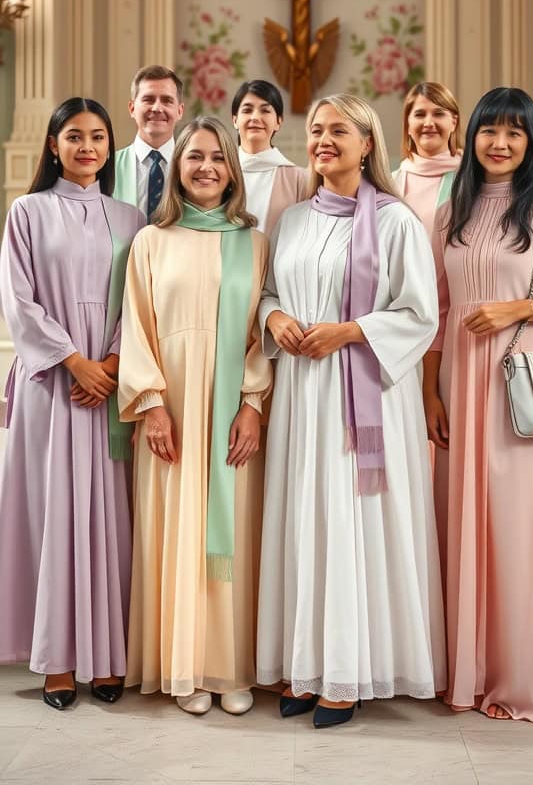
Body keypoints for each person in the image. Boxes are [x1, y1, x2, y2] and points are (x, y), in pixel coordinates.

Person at [257, 94, 446, 728]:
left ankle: (349, 672)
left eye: (339, 129)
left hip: (362, 397)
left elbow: (420, 315)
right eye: (315, 130)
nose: (323, 139)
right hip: (302, 400)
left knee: (351, 524)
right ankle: (306, 666)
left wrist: (349, 331)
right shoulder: (291, 221)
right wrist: (276, 317)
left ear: (368, 144)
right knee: (308, 520)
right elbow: (270, 293)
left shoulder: (394, 222)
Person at [423, 87, 533, 723]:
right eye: (491, 131)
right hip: (458, 380)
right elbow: (432, 307)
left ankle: (521, 678)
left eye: (515, 132)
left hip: (520, 382)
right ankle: (467, 670)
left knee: (519, 529)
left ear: (531, 141)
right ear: (473, 136)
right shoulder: (447, 211)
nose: (500, 143)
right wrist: (431, 389)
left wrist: (518, 308)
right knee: (461, 522)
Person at [118, 116, 271, 717]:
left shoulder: (254, 243)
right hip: (172, 413)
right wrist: (152, 404)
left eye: (217, 157)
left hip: (232, 412)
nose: (206, 167)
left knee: (229, 539)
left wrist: (254, 405)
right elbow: (136, 325)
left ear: (233, 168)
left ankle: (229, 668)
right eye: (193, 158)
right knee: (178, 535)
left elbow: (262, 331)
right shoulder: (151, 242)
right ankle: (184, 666)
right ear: (176, 169)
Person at [0, 98, 143, 710]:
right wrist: (73, 362)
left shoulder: (132, 217)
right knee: (52, 512)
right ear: (54, 145)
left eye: (98, 137)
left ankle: (107, 656)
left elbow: (142, 301)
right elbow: (18, 297)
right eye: (75, 136)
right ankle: (58, 660)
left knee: (109, 517)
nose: (87, 147)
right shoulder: (27, 211)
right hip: (52, 385)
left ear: (110, 147)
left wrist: (110, 364)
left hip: (110, 386)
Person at [232, 79, 308, 235]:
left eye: (265, 111)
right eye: (247, 110)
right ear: (235, 120)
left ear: (278, 122)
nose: (255, 117)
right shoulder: (221, 172)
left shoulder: (299, 179)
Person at [114, 65, 184, 221]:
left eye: (167, 101)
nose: (157, 108)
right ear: (132, 108)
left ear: (180, 111)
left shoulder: (192, 168)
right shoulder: (108, 167)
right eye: (148, 99)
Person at [392, 82, 462, 238]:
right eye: (420, 114)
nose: (429, 123)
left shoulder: (473, 179)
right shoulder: (389, 184)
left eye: (438, 113)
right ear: (408, 125)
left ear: (453, 122)